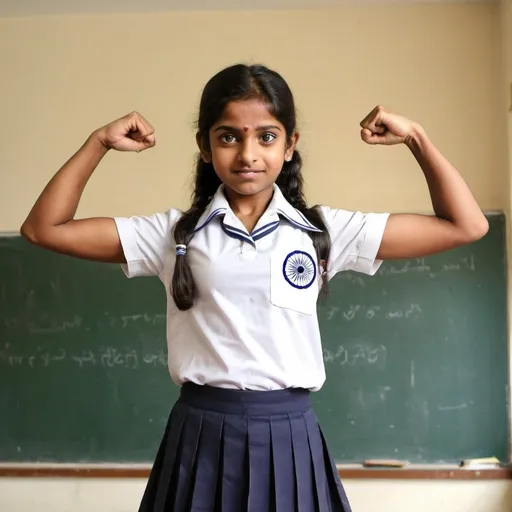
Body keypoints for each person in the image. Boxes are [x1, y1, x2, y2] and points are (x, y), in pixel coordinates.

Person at [20, 63, 488, 511]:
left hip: (289, 433)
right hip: (199, 434)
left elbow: (465, 225)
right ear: (204, 146)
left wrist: (418, 139)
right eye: (228, 137)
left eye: (266, 136)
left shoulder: (323, 230)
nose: (247, 154)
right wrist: (97, 142)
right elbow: (44, 228)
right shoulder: (171, 234)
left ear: (290, 145)